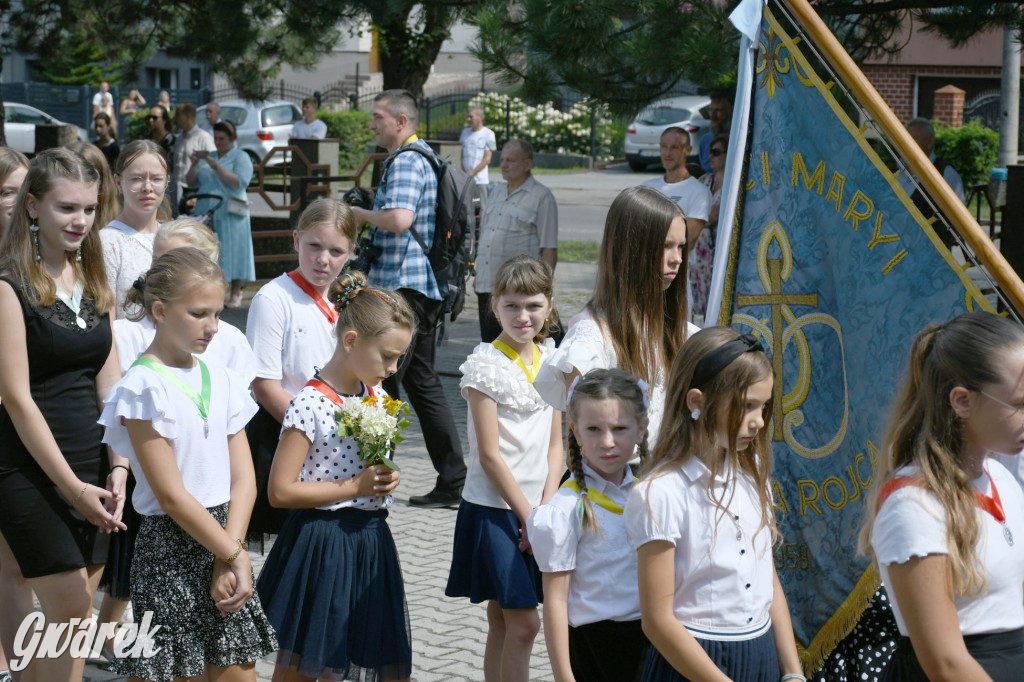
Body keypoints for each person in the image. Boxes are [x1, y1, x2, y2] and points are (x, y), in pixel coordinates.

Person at [98, 247, 277, 680]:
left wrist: (228, 556)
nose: (213, 327)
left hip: (224, 532)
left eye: (217, 313)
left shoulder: (222, 377)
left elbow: (244, 480)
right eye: (199, 313)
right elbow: (173, 497)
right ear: (159, 310)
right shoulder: (142, 387)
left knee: (238, 670)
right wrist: (234, 555)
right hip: (170, 550)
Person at [0, 147, 128, 682]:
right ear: (33, 207)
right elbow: (16, 398)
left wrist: (120, 465)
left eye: (89, 208)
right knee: (71, 613)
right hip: (30, 472)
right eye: (65, 208)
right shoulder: (9, 288)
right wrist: (73, 487)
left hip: (97, 471)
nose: (80, 221)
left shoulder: (95, 283)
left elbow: (112, 385)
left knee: (70, 634)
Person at [256, 271, 415, 682]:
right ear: (350, 341)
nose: (393, 368)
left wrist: (384, 479)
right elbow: (280, 491)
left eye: (399, 358)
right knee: (304, 668)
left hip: (369, 541)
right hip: (322, 544)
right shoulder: (309, 403)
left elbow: (366, 466)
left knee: (352, 662)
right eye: (387, 356)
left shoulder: (375, 395)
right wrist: (353, 488)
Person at [625, 326, 804, 682]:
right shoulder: (661, 493)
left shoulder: (753, 479)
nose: (759, 421)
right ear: (697, 402)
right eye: (747, 406)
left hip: (760, 653)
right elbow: (658, 621)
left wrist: (792, 672)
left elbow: (766, 579)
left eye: (764, 406)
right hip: (693, 663)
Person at [860, 312, 1024, 682]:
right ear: (963, 401)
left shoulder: (1001, 478)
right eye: (1019, 404)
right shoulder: (914, 505)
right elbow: (945, 664)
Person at [347, 89, 467, 507]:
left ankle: (375, 481)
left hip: (402, 290)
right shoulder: (421, 158)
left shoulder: (407, 161)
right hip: (421, 289)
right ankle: (452, 480)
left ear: (401, 122)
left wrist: (356, 214)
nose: (372, 124)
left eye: (378, 117)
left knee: (383, 382)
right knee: (422, 382)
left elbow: (399, 220)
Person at [446, 255, 562, 682]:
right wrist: (529, 518)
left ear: (549, 305)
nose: (522, 316)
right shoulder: (484, 366)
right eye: (511, 305)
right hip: (495, 510)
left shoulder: (553, 360)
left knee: (503, 617)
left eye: (532, 305)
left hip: (537, 510)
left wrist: (545, 510)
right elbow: (489, 455)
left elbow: (557, 446)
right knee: (525, 623)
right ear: (494, 306)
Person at [535, 185, 696, 448]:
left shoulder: (683, 332)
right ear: (632, 251)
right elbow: (581, 443)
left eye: (681, 247)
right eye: (666, 246)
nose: (677, 258)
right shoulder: (592, 337)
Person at [528, 368, 652, 682]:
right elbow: (555, 600)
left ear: (641, 429)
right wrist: (563, 676)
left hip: (650, 639)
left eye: (620, 428)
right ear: (576, 431)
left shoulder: (649, 494)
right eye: (594, 429)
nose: (607, 442)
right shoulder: (566, 507)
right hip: (595, 647)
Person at [245, 198, 355, 541]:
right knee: (293, 545)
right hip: (287, 436)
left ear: (351, 252)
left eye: (336, 251)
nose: (323, 260)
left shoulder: (348, 301)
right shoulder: (274, 298)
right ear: (296, 240)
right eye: (314, 246)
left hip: (337, 439)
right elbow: (264, 385)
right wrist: (316, 436)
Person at [475, 139, 558, 342]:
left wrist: (542, 290)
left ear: (527, 164)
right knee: (492, 350)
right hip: (489, 288)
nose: (504, 164)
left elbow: (549, 249)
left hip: (520, 294)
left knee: (524, 349)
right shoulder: (497, 191)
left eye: (511, 160)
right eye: (502, 159)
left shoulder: (541, 197)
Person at [0, 146, 29, 682]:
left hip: (31, 425)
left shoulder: (44, 264)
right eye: (6, 191)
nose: (16, 201)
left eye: (22, 190)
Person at [641, 127, 711, 322]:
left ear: (687, 150)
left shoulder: (698, 192)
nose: (668, 153)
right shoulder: (646, 187)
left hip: (676, 281)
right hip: (643, 280)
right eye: (664, 146)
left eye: (674, 147)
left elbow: (687, 242)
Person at [188, 119, 254, 308]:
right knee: (209, 251)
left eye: (223, 138)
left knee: (236, 250)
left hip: (232, 211)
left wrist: (216, 166)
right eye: (216, 138)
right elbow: (192, 182)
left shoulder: (241, 157)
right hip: (207, 210)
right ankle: (210, 292)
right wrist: (194, 165)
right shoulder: (209, 156)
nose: (219, 142)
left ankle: (235, 292)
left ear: (232, 138)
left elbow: (239, 182)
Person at [100, 140, 169, 317]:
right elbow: (107, 316)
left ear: (167, 181)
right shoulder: (108, 242)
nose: (147, 187)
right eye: (136, 179)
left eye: (156, 179)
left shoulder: (173, 237)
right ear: (118, 183)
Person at [693, 133, 728, 322]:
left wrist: (701, 217)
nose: (711, 157)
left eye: (716, 152)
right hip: (699, 250)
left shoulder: (732, 184)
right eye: (710, 152)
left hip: (715, 248)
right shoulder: (704, 181)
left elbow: (714, 215)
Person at [172, 102, 215, 215]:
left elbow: (212, 168)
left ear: (188, 116)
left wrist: (200, 195)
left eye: (178, 115)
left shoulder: (204, 138)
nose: (175, 119)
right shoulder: (179, 139)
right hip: (177, 189)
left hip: (194, 192)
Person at [460, 105, 497, 208]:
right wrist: (464, 174)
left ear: (480, 117)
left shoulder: (489, 134)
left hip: (480, 179)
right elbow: (461, 156)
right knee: (466, 207)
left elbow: (487, 159)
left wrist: (472, 172)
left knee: (482, 207)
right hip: (466, 179)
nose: (468, 119)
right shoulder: (465, 133)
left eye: (471, 116)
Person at [698, 94, 733, 174]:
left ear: (729, 113)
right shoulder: (705, 140)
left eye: (718, 110)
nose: (712, 115)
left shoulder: (735, 140)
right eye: (710, 110)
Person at [147, 104, 175, 177]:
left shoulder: (170, 140)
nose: (150, 120)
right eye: (149, 117)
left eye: (154, 118)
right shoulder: (147, 138)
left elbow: (170, 164)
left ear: (164, 120)